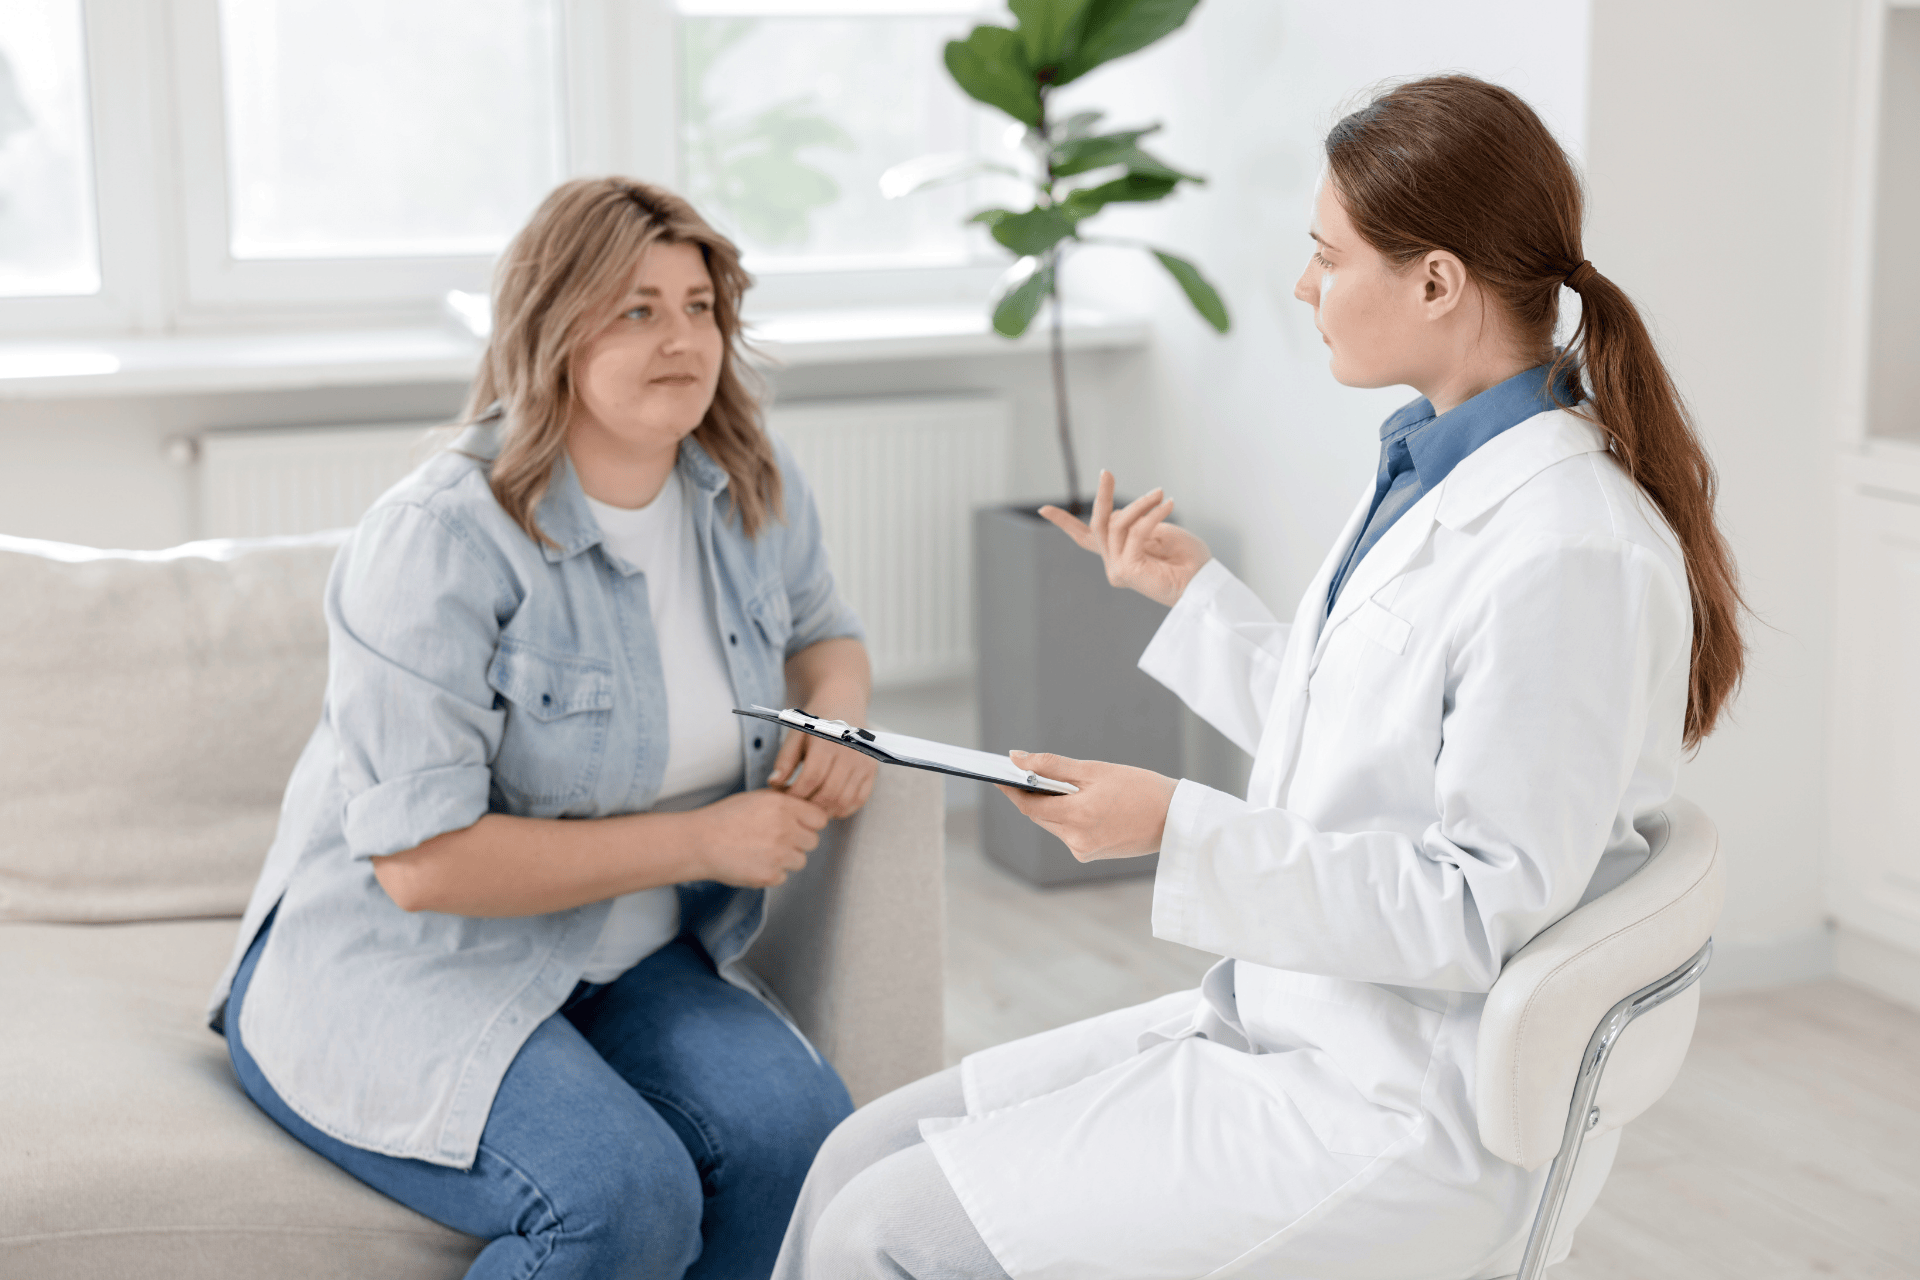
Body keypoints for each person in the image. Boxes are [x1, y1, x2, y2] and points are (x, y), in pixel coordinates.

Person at [775, 74, 1746, 1280]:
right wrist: (1195, 600)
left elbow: (1476, 908)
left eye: (1327, 256)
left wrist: (1176, 826)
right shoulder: (1433, 465)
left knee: (884, 1230)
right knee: (853, 1153)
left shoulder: (1571, 550)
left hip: (1395, 1099)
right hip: (1295, 1019)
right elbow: (1370, 736)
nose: (1305, 287)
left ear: (1437, 281)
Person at [206, 178, 881, 1280]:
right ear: (552, 323)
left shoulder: (748, 481)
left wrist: (839, 720)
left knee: (800, 1143)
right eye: (636, 309)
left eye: (699, 306)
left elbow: (826, 634)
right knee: (622, 1198)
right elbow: (421, 864)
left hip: (627, 951)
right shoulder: (438, 538)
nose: (681, 339)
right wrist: (704, 842)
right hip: (404, 963)